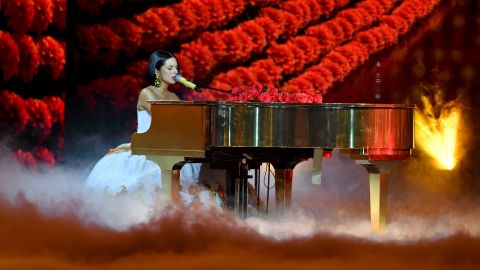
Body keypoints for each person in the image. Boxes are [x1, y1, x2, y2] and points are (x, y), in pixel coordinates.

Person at [85, 50, 219, 209]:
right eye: (169, 68)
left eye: (176, 68)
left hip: (170, 149)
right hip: (148, 149)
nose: (175, 72)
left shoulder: (174, 97)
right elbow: (164, 121)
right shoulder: (147, 93)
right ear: (156, 71)